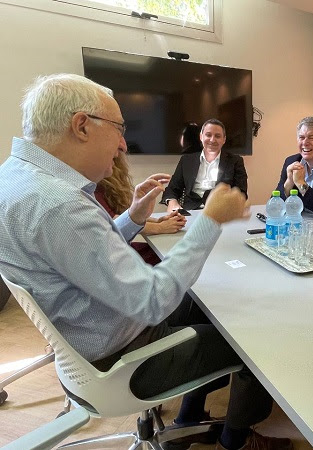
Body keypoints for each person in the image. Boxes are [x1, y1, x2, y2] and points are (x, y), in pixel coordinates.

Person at [0, 74, 291, 450]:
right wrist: (210, 220)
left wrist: (133, 217)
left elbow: (80, 257)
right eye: (119, 129)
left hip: (91, 340)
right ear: (82, 126)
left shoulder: (17, 178)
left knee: (207, 304)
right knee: (254, 336)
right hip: (125, 361)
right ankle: (237, 438)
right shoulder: (59, 204)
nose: (123, 143)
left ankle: (188, 418)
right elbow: (152, 300)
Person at [95, 151, 187, 265]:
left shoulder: (110, 178)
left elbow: (123, 217)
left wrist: (157, 221)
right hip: (114, 257)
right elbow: (113, 221)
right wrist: (160, 227)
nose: (124, 144)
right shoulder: (94, 185)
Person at [162, 119, 248, 211]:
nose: (212, 140)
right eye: (208, 135)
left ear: (224, 139)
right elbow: (172, 188)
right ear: (201, 137)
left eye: (217, 136)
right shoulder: (186, 160)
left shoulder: (235, 161)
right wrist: (172, 202)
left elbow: (241, 193)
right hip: (190, 211)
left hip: (221, 212)